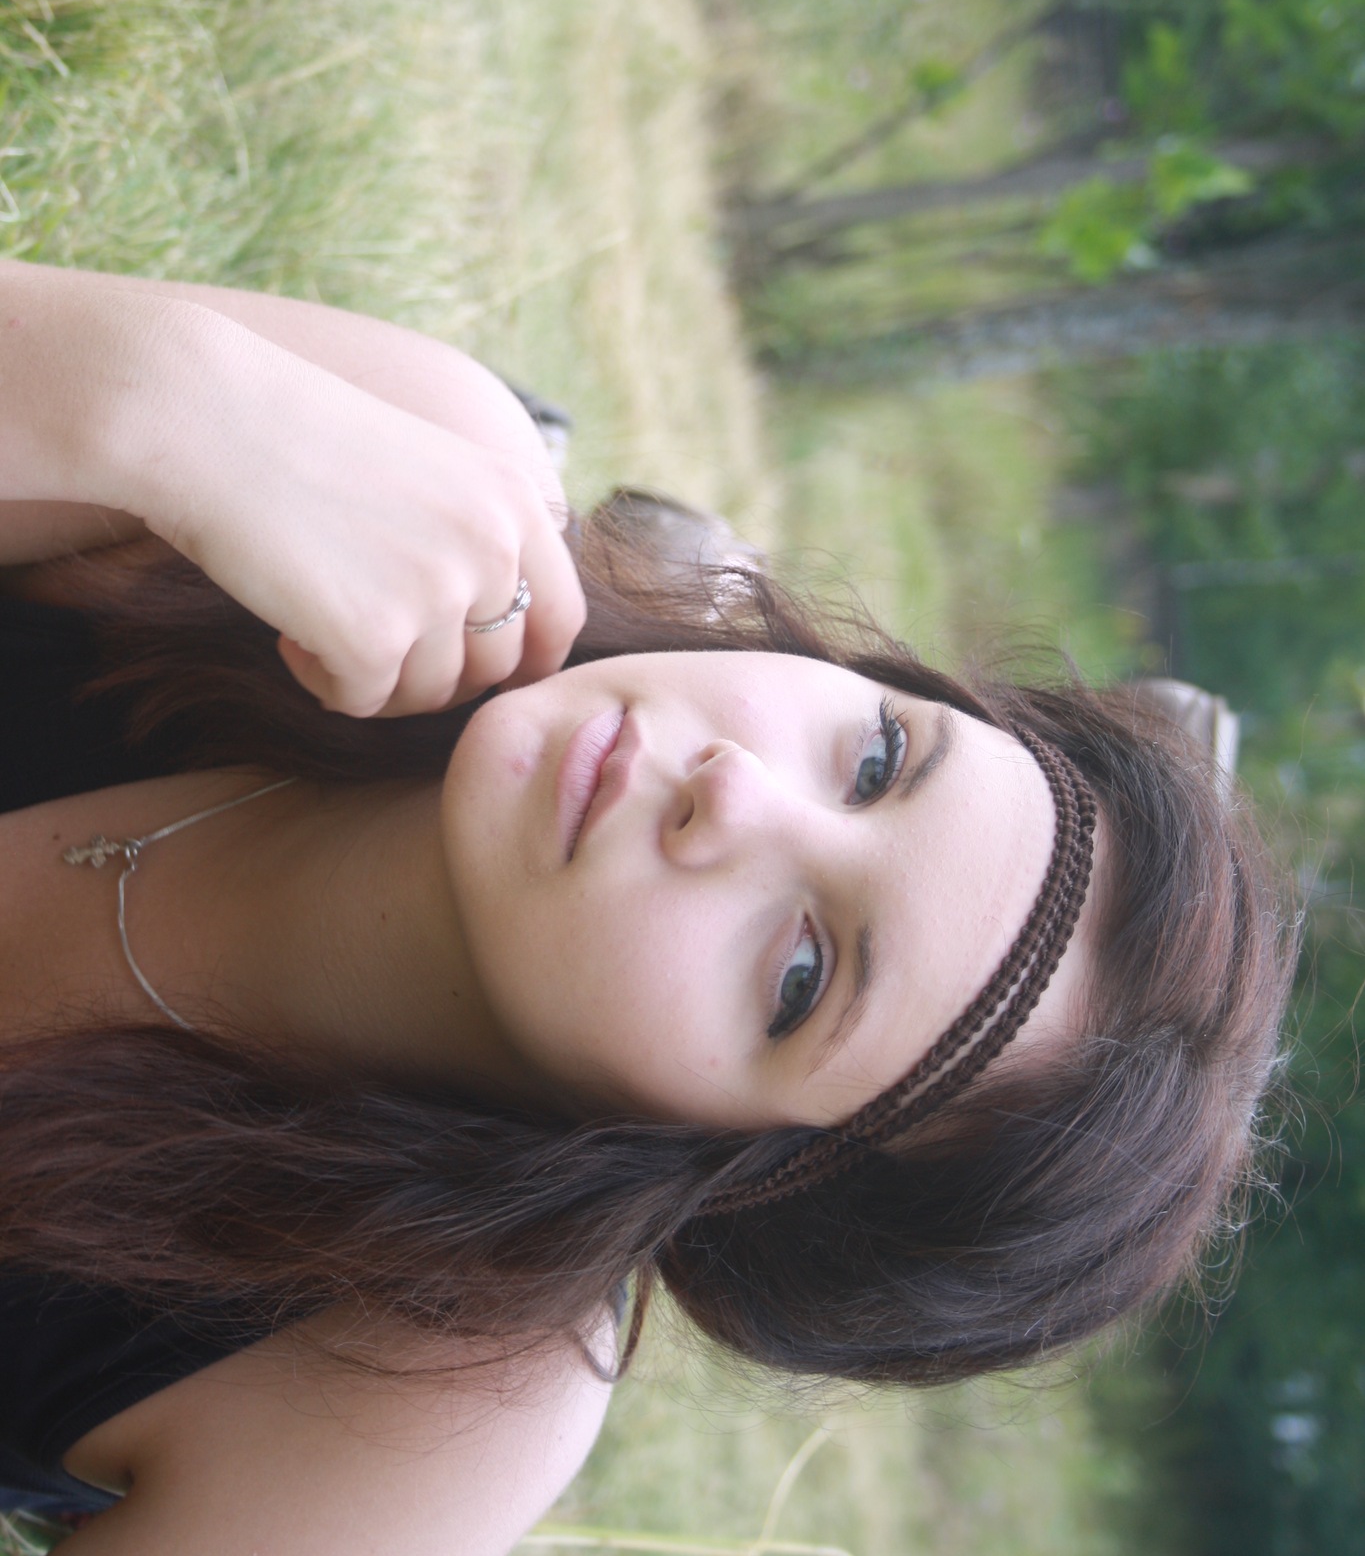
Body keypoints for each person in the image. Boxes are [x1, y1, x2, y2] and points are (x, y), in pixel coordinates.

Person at [0, 261, 1296, 1554]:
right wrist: (162, 402)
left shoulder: (419, 1406)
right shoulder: (433, 453)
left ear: (739, 1173)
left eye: (802, 976)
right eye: (876, 759)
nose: (733, 794)